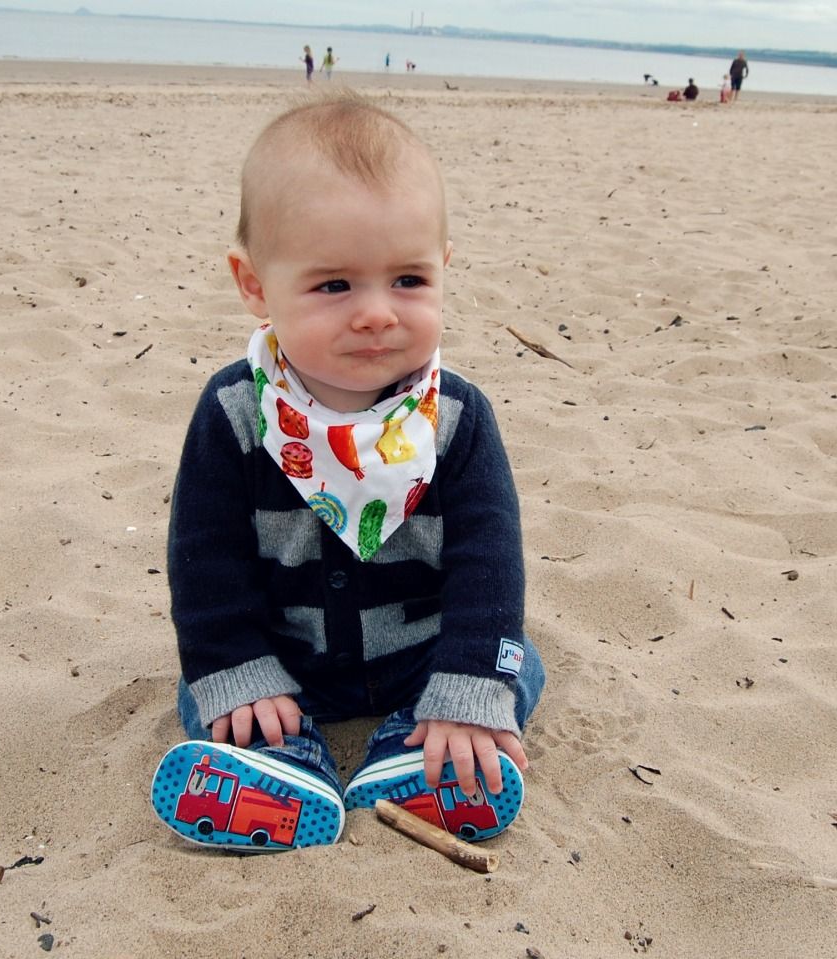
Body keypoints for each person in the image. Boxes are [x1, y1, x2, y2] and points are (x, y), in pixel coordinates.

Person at [150, 95, 545, 853]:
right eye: (335, 285)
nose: (376, 313)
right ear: (254, 283)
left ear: (444, 268)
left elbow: (489, 559)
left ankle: (414, 744)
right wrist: (239, 667)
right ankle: (282, 763)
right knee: (210, 688)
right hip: (284, 662)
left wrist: (465, 686)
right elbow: (204, 559)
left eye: (408, 280)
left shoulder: (455, 417)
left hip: (421, 657)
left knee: (512, 663)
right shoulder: (236, 411)